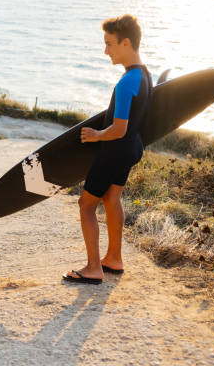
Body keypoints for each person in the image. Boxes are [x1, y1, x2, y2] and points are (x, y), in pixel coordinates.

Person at [63, 14, 152, 284]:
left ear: (126, 43)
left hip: (115, 149)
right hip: (129, 150)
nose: (106, 51)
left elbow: (119, 128)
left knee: (86, 205)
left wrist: (96, 135)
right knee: (111, 199)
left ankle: (93, 268)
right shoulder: (144, 75)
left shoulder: (126, 83)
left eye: (109, 44)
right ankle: (114, 258)